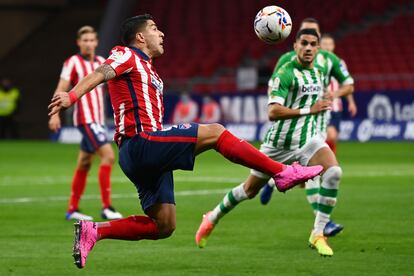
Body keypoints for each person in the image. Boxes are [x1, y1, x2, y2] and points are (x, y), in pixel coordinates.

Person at [48, 14, 323, 269]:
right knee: (215, 132)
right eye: (155, 29)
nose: (162, 34)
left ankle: (94, 230)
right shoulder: (126, 55)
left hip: (142, 155)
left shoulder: (150, 70)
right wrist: (71, 97)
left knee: (163, 225)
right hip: (141, 142)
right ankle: (282, 172)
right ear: (141, 37)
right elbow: (101, 73)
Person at [196, 29, 341, 257]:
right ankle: (212, 217)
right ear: (295, 46)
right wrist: (308, 110)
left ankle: (318, 233)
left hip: (308, 139)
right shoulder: (284, 73)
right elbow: (273, 112)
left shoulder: (321, 72)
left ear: (318, 48)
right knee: (249, 190)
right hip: (279, 145)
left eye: (313, 44)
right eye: (304, 43)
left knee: (333, 173)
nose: (309, 48)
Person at [259, 18, 354, 238]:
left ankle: (274, 180)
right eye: (304, 37)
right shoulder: (287, 60)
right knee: (314, 175)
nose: (309, 43)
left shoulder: (329, 60)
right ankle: (324, 224)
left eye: (314, 38)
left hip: (320, 119)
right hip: (299, 124)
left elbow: (349, 84)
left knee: (315, 174)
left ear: (319, 39)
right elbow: (276, 88)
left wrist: (336, 94)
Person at [48, 26, 123, 221]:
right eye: (85, 40)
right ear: (79, 43)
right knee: (108, 156)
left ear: (96, 42)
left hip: (98, 120)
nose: (88, 43)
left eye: (92, 40)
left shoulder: (101, 63)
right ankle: (107, 207)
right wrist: (55, 115)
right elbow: (62, 88)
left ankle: (72, 209)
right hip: (85, 119)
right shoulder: (72, 62)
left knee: (84, 163)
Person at [320, 33, 357, 154]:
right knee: (325, 136)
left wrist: (351, 102)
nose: (327, 47)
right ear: (320, 45)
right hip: (319, 106)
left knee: (333, 136)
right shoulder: (315, 62)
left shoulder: (339, 63)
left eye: (330, 44)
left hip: (336, 106)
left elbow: (345, 85)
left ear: (334, 46)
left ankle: (329, 163)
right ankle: (325, 163)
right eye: (325, 44)